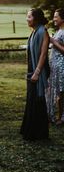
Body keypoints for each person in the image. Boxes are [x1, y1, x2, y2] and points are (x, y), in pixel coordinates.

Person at [20, 8, 50, 140]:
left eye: (29, 17)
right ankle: (30, 129)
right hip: (31, 69)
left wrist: (37, 72)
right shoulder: (34, 32)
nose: (27, 19)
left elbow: (43, 55)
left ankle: (39, 133)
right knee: (31, 99)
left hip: (38, 70)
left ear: (36, 18)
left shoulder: (43, 31)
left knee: (38, 99)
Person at [47, 8, 64, 125]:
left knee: (62, 92)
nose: (54, 19)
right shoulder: (59, 31)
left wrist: (53, 41)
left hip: (62, 66)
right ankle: (58, 115)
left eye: (56, 16)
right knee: (58, 92)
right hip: (55, 66)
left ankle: (62, 117)